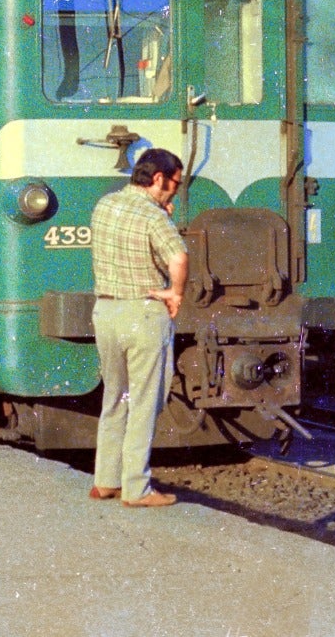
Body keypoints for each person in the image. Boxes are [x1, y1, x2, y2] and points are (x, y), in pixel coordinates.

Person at [87, 148, 188, 508]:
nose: (176, 191)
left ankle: (106, 481)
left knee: (116, 397)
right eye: (176, 183)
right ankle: (137, 489)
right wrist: (175, 292)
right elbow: (178, 257)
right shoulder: (154, 216)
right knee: (145, 402)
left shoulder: (105, 205)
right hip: (143, 315)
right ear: (159, 179)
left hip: (107, 312)